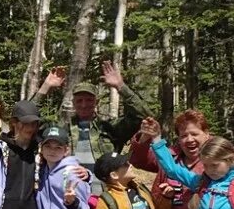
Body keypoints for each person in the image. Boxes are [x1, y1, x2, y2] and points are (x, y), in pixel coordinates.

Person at [34, 62, 153, 194]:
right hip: (70, 199)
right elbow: (28, 119)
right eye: (79, 100)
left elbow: (144, 116)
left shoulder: (110, 127)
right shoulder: (61, 129)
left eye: (89, 100)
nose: (84, 104)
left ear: (97, 102)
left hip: (106, 199)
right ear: (73, 103)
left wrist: (120, 86)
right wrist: (45, 88)